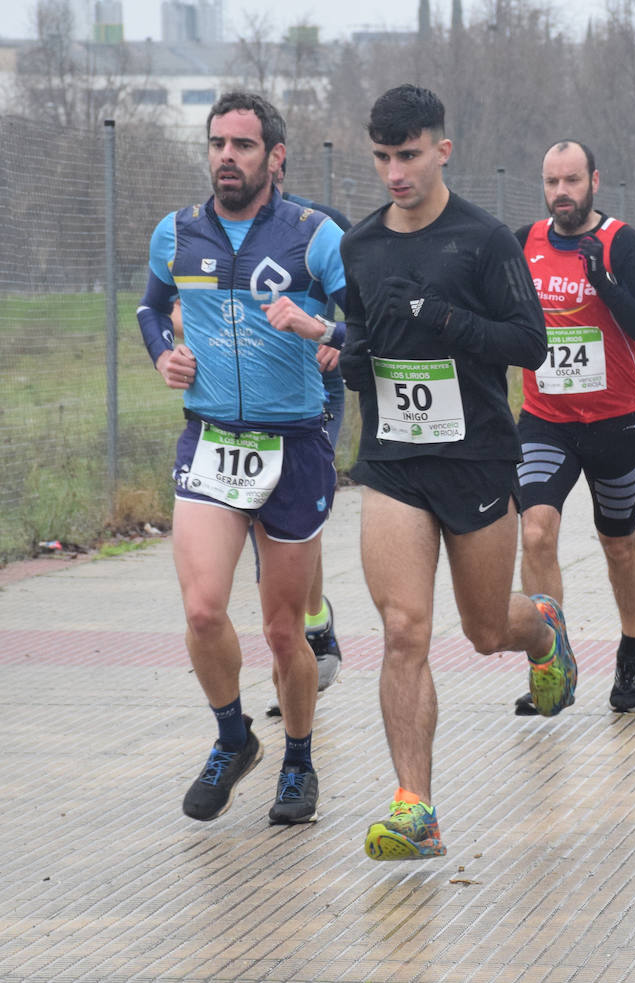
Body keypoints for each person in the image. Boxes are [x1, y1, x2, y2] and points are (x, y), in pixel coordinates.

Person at [338, 85, 576, 861]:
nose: (395, 172)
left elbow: (530, 344)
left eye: (408, 154)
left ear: (442, 149)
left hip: (475, 458)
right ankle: (416, 807)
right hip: (395, 461)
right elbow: (366, 340)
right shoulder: (362, 245)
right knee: (404, 628)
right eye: (382, 157)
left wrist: (440, 319)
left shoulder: (482, 241)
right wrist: (347, 358)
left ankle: (541, 630)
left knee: (482, 630)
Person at [135, 92, 347, 826]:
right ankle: (233, 736)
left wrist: (322, 327)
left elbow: (364, 318)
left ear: (275, 157)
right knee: (201, 610)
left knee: (285, 630)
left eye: (244, 145)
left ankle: (298, 759)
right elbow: (147, 307)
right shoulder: (178, 231)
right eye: (219, 143)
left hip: (294, 446)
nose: (228, 156)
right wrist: (166, 354)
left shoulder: (313, 236)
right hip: (211, 439)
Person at [512, 140, 635, 715]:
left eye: (572, 181)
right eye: (552, 182)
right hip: (546, 421)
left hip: (614, 423)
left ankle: (630, 646)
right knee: (536, 533)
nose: (561, 194)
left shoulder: (622, 243)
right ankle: (551, 660)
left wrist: (606, 284)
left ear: (594, 181)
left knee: (618, 544)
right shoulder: (522, 243)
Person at [261, 158, 349, 717]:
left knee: (295, 518)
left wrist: (337, 339)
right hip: (250, 410)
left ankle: (306, 636)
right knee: (266, 540)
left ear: (279, 161)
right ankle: (307, 632)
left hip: (318, 391)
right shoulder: (219, 235)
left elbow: (360, 306)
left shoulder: (321, 225)